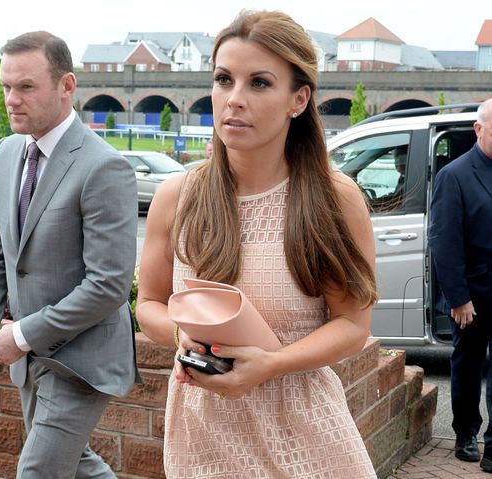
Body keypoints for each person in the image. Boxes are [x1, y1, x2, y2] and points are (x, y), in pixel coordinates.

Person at [136, 10, 377, 479]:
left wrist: (271, 364)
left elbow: (352, 323)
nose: (234, 99)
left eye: (260, 83)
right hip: (204, 438)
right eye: (224, 79)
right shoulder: (177, 196)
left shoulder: (335, 199)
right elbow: (148, 303)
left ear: (299, 99)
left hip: (308, 439)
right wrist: (181, 336)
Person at [0, 31, 139, 479]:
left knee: (39, 471)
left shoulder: (104, 167)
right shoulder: (5, 153)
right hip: (32, 359)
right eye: (5, 87)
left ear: (67, 86)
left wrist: (20, 336)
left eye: (26, 87)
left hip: (82, 362)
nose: (11, 99)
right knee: (77, 466)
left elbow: (109, 285)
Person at [429, 98, 492, 473]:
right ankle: (466, 432)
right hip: (472, 293)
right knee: (468, 367)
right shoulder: (454, 175)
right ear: (479, 129)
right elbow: (445, 241)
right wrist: (458, 297)